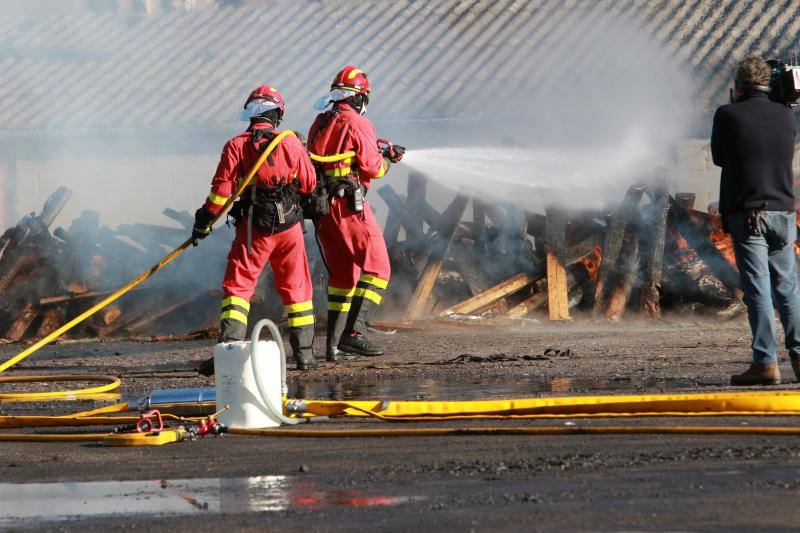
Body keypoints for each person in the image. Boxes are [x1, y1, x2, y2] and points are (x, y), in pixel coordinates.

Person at [193, 85, 318, 374]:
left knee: (238, 288)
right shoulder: (291, 143)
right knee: (297, 287)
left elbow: (221, 193)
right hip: (290, 228)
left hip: (255, 229)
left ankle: (229, 352)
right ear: (278, 114)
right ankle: (305, 356)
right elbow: (309, 184)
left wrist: (203, 221)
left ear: (251, 114)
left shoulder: (237, 145)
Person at [711, 56, 800, 385]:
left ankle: (765, 363)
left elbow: (720, 157)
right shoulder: (787, 116)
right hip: (784, 212)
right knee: (788, 287)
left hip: (749, 213)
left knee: (758, 289)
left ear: (739, 86)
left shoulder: (727, 114)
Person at [306, 66, 404, 361]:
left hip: (324, 209)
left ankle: (333, 347)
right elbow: (374, 168)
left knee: (343, 277)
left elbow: (334, 153)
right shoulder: (359, 123)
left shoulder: (322, 120)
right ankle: (354, 334)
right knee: (378, 269)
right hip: (349, 208)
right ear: (361, 97)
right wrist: (388, 159)